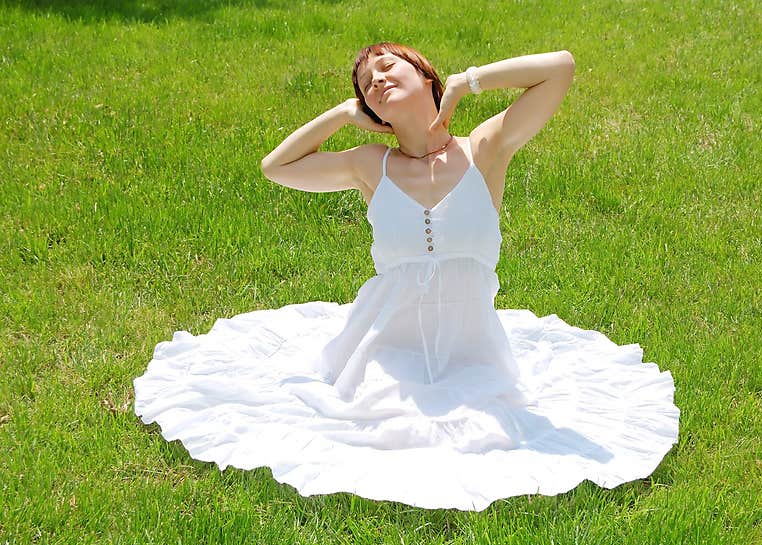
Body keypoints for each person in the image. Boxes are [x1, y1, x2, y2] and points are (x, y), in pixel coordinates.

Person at [133, 43, 680, 511]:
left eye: (390, 67)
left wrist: (467, 85)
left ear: (425, 76)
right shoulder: (369, 165)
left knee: (483, 421)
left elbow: (559, 66)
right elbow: (276, 167)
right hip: (385, 343)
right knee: (381, 424)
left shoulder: (485, 148)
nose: (378, 81)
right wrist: (345, 115)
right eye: (368, 86)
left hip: (471, 345)